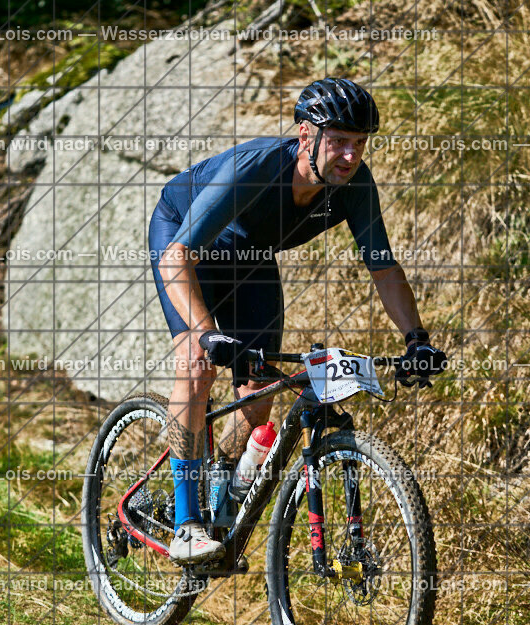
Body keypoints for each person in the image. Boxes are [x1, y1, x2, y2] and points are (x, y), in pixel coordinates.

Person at [149, 78, 447, 564]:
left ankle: (219, 492)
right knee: (197, 362)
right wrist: (205, 334)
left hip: (250, 254)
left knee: (259, 389)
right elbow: (175, 257)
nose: (350, 155)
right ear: (306, 135)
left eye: (359, 143)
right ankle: (186, 523)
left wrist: (417, 340)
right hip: (185, 240)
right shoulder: (254, 169)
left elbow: (384, 268)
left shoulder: (354, 186)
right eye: (339, 141)